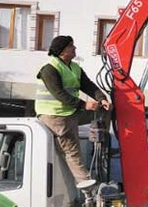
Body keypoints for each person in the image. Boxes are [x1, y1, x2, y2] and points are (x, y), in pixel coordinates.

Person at [34, 35, 110, 189]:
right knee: (72, 151)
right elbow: (59, 94)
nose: (74, 48)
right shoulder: (50, 69)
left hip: (69, 114)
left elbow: (88, 85)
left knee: (68, 152)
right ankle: (88, 188)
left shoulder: (74, 67)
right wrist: (84, 105)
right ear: (62, 51)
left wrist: (102, 98)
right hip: (54, 116)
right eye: (71, 46)